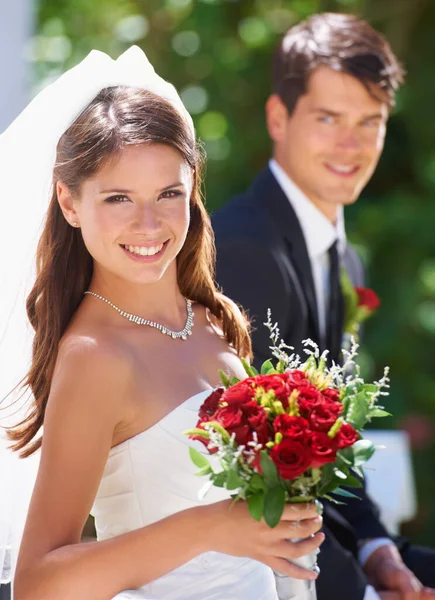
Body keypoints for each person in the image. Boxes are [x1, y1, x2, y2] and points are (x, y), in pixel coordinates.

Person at [0, 47, 324, 600]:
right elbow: (38, 584)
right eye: (118, 197)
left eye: (168, 194)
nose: (148, 224)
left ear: (192, 191)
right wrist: (211, 527)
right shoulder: (95, 356)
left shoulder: (211, 319)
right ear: (69, 202)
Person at [213, 12, 435, 600]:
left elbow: (326, 444)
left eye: (371, 122)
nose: (352, 144)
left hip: (337, 545)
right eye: (329, 118)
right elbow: (260, 474)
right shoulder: (244, 248)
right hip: (265, 563)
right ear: (278, 118)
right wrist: (360, 589)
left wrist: (378, 550)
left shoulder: (346, 261)